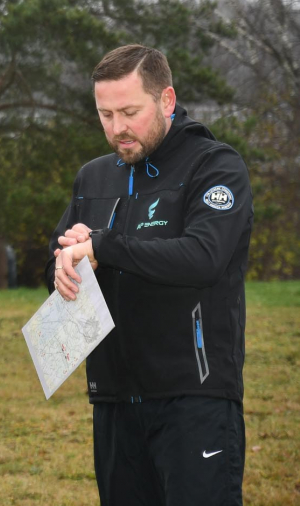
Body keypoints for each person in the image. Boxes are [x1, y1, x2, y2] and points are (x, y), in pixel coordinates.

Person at [49, 45, 253, 506]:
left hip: (194, 396)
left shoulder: (216, 166)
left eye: (129, 111)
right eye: (105, 114)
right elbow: (56, 261)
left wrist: (104, 246)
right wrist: (63, 265)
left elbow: (203, 257)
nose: (117, 127)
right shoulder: (94, 177)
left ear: (166, 100)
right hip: (115, 400)